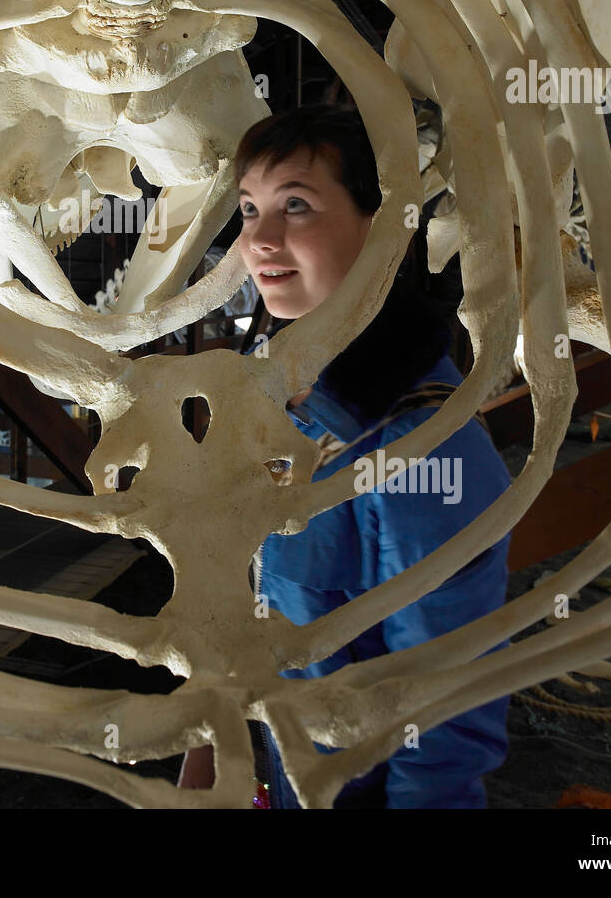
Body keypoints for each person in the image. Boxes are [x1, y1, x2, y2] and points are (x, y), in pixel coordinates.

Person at [177, 103, 512, 808]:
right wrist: (211, 741)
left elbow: (441, 726)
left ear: (384, 225)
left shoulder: (425, 452)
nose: (260, 240)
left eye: (295, 205)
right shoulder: (282, 403)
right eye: (248, 209)